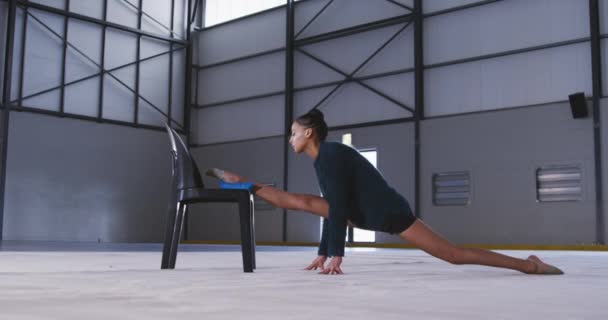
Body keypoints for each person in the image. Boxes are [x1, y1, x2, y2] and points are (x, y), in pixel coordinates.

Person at [206, 109, 564, 276]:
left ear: (310, 133)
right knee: (301, 201)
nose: (290, 138)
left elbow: (339, 205)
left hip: (387, 212)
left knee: (453, 255)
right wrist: (322, 250)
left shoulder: (329, 155)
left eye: (294, 132)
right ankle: (244, 184)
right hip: (364, 211)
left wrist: (335, 253)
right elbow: (333, 206)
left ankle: (527, 265)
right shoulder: (323, 159)